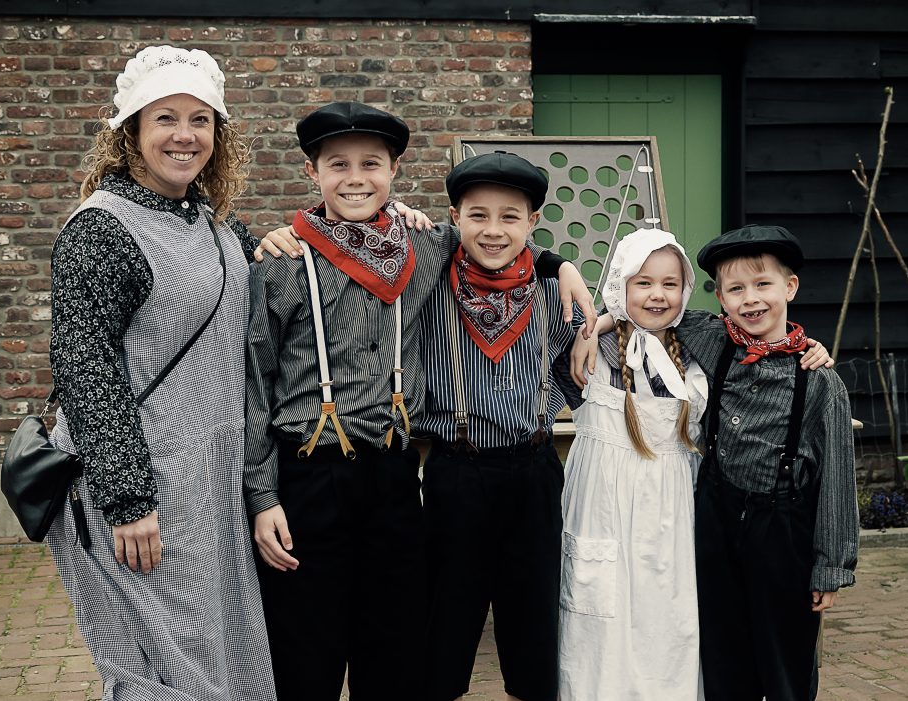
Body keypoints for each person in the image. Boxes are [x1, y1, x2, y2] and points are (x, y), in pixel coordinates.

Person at [244, 103, 595, 700]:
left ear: (395, 169)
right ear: (312, 172)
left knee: (396, 651)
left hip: (394, 472)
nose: (356, 178)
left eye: (371, 164)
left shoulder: (422, 247)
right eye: (338, 165)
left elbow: (498, 242)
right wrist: (261, 493)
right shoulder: (281, 262)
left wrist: (562, 267)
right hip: (309, 474)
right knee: (307, 650)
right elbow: (256, 382)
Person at [46, 45, 276, 700]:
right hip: (142, 489)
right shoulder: (101, 229)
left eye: (200, 120)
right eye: (166, 118)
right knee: (159, 665)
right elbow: (83, 363)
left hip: (208, 484)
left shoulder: (213, 223)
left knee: (214, 654)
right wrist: (128, 501)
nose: (185, 135)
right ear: (132, 134)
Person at [417, 152, 580, 701]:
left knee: (534, 624)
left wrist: (562, 267)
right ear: (454, 217)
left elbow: (583, 366)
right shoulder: (426, 282)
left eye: (510, 217)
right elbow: (369, 234)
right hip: (455, 472)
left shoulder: (557, 293)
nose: (493, 230)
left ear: (533, 223)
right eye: (477, 215)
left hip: (533, 471)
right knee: (445, 625)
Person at [679, 225, 859, 701]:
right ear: (719, 297)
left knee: (784, 662)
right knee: (722, 653)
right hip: (716, 519)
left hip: (781, 530)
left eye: (763, 285)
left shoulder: (819, 381)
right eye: (735, 289)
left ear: (790, 288)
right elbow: (655, 310)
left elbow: (837, 480)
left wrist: (831, 567)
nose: (750, 300)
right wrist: (609, 319)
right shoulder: (715, 342)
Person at [557, 229, 707, 700]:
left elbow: (760, 331)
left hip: (671, 519)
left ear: (685, 291)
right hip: (602, 511)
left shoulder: (701, 347)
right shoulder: (587, 351)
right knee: (599, 633)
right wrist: (597, 324)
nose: (657, 295)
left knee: (668, 625)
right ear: (620, 286)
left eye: (670, 283)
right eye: (642, 282)